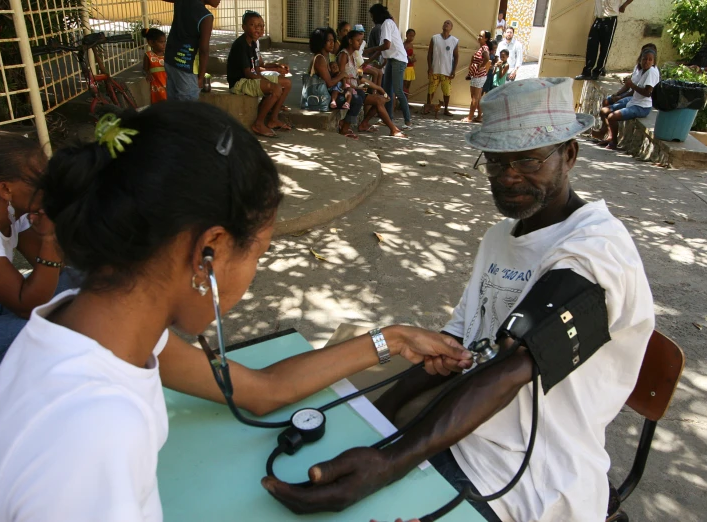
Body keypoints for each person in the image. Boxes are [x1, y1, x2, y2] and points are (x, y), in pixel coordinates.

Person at [0, 102, 469, 520]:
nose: (253, 272)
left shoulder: (94, 321)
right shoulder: (95, 430)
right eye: (258, 252)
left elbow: (260, 391)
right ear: (210, 249)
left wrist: (394, 339)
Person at [261, 78, 655, 522]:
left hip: (532, 476)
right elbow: (456, 345)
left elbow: (513, 367)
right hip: (460, 434)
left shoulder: (597, 251)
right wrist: (377, 418)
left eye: (528, 158)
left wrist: (388, 463)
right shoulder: (499, 239)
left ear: (569, 154)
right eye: (497, 161)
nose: (509, 176)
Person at [0, 132, 80, 381]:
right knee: (43, 341)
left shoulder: (12, 213)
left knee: (84, 282)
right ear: (6, 189)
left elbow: (55, 269)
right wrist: (50, 239)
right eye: (40, 179)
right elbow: (25, 304)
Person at [227, 11, 292, 138]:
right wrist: (268, 82)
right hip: (239, 82)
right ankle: (258, 123)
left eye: (261, 26)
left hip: (249, 77)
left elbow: (257, 67)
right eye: (253, 25)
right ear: (244, 27)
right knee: (276, 88)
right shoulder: (241, 45)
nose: (258, 28)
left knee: (287, 83)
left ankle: (273, 119)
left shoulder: (252, 43)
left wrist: (276, 67)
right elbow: (248, 73)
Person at [336, 30, 407, 138]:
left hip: (356, 88)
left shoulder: (354, 56)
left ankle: (366, 124)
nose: (360, 43)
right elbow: (341, 76)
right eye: (357, 40)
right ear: (350, 41)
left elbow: (360, 78)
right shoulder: (343, 55)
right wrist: (353, 87)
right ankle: (345, 127)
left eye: (361, 41)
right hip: (346, 91)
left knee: (382, 99)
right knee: (363, 99)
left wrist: (378, 88)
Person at [592, 48, 659, 150]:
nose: (647, 62)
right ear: (640, 59)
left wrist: (631, 85)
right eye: (645, 59)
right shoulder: (642, 70)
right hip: (633, 101)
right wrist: (620, 95)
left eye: (650, 60)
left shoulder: (651, 72)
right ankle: (605, 134)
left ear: (654, 61)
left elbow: (647, 93)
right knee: (604, 110)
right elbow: (633, 89)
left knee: (611, 117)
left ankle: (613, 142)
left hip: (642, 107)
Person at [366, 4, 413, 130]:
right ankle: (388, 118)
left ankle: (408, 121)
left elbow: (386, 46)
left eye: (372, 16)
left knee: (397, 90)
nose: (372, 18)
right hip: (392, 60)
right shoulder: (387, 24)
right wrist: (367, 62)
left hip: (398, 60)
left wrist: (370, 50)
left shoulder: (387, 23)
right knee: (387, 91)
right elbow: (383, 49)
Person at [164, 0, 219, 101]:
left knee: (173, 107)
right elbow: (204, 50)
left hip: (170, 61)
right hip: (187, 67)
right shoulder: (206, 17)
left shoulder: (181, 2)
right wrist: (201, 77)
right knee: (188, 111)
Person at [576, 0, 634, 80]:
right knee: (591, 45)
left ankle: (598, 71)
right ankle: (587, 72)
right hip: (598, 19)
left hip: (610, 20)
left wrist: (624, 6)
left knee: (605, 48)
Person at [425, 20, 460, 116]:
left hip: (447, 71)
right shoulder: (435, 38)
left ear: (451, 28)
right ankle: (428, 107)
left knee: (447, 91)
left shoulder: (454, 40)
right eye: (444, 23)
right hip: (435, 69)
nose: (446, 24)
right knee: (431, 89)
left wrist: (453, 70)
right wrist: (429, 67)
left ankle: (446, 109)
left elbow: (456, 56)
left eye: (448, 23)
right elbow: (429, 54)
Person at [464, 31, 492, 123]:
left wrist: (480, 67)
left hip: (478, 76)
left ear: (486, 39)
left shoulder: (484, 48)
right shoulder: (483, 48)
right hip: (478, 75)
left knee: (474, 97)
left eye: (481, 36)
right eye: (479, 35)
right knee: (478, 97)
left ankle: (469, 117)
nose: (479, 37)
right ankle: (479, 116)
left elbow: (487, 58)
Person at [142, 27, 167, 104]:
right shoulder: (148, 56)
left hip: (168, 85)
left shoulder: (167, 55)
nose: (164, 45)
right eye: (161, 42)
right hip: (156, 86)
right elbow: (144, 69)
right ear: (151, 43)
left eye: (164, 42)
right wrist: (147, 73)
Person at [403, 28, 417, 95]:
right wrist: (409, 59)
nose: (411, 37)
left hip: (411, 67)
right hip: (406, 67)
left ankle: (406, 100)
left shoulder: (411, 45)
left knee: (408, 86)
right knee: (404, 86)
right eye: (410, 35)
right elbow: (404, 56)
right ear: (406, 35)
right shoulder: (404, 45)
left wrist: (413, 58)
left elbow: (412, 55)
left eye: (413, 36)